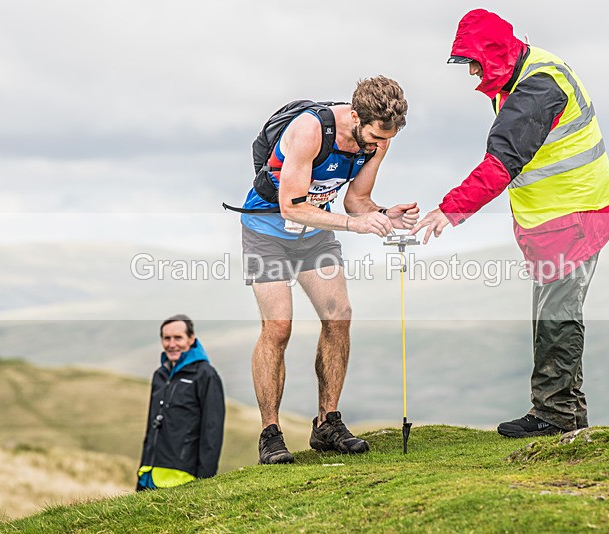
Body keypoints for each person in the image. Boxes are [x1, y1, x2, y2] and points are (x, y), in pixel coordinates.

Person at [412, 9, 609, 438]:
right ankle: (571, 419)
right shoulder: (524, 74)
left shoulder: (536, 88)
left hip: (573, 217)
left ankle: (554, 416)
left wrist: (449, 210)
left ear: (494, 54)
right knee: (553, 314)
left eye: (474, 63)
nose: (472, 74)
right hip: (555, 220)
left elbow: (501, 163)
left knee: (557, 316)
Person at [239, 76, 418, 463]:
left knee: (339, 317)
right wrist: (354, 225)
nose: (378, 145)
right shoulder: (310, 130)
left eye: (386, 138)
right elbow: (291, 206)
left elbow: (357, 202)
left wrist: (385, 214)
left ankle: (327, 423)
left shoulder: (380, 139)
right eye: (373, 136)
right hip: (266, 229)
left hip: (314, 234)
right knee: (279, 326)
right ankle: (270, 434)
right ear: (355, 116)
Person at [137, 315, 226, 490]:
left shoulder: (206, 375)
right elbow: (151, 428)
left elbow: (212, 430)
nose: (171, 344)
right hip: (148, 476)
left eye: (178, 338)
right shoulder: (159, 375)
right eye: (166, 338)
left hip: (183, 477)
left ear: (191, 339)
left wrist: (205, 480)